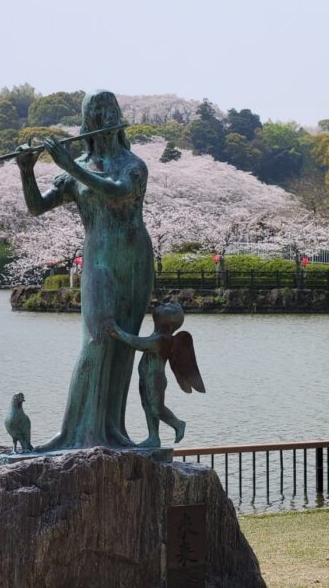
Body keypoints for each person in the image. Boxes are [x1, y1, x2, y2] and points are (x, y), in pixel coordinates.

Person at [15, 90, 154, 449]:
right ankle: (74, 433)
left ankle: (112, 432)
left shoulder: (133, 165)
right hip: (98, 259)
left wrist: (71, 167)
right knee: (96, 339)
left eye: (111, 108)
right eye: (98, 110)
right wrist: (27, 171)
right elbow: (36, 207)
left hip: (135, 259)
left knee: (124, 344)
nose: (106, 115)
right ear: (88, 120)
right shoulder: (76, 169)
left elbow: (118, 192)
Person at [111, 301, 204, 448]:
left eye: (167, 307)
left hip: (156, 378)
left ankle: (178, 424)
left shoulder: (162, 339)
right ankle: (153, 437)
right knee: (147, 406)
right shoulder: (157, 335)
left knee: (156, 408)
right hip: (145, 377)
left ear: (170, 320)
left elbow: (139, 343)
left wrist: (119, 333)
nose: (162, 304)